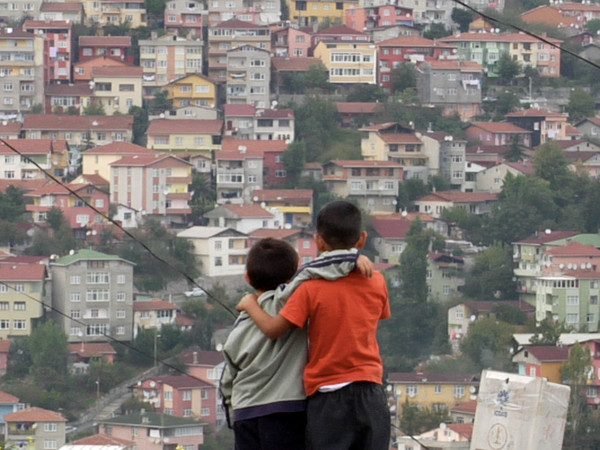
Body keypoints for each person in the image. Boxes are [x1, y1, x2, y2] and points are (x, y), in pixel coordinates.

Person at [237, 200, 391, 450]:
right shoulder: (376, 281)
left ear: (319, 242)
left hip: (328, 395)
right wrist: (354, 260)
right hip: (370, 390)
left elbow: (273, 330)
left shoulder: (309, 288)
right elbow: (379, 315)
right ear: (362, 239)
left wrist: (250, 305)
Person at [220, 236, 372, 450]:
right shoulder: (292, 303)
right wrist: (351, 259)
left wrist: (234, 418)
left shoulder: (239, 328)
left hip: (247, 415)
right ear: (293, 277)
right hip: (288, 412)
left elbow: (228, 380)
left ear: (247, 277)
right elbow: (314, 270)